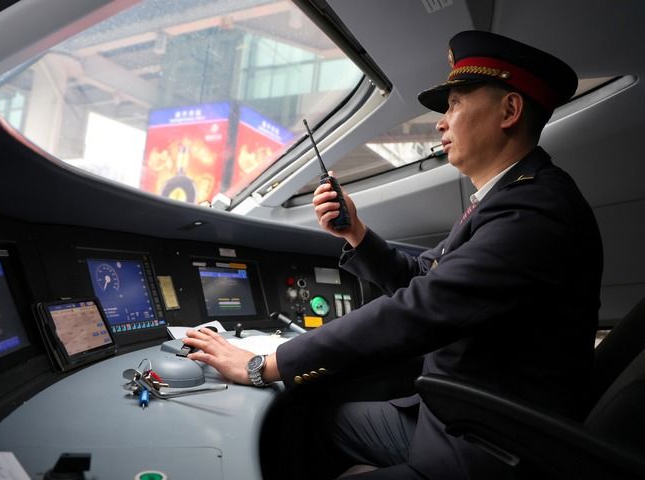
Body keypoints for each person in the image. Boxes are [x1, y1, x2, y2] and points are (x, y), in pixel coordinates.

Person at [184, 30, 603, 479]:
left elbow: (418, 309)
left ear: (509, 110)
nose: (442, 122)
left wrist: (264, 364)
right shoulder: (505, 200)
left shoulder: (535, 212)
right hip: (448, 416)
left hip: (485, 445)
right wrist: (357, 233)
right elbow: (424, 276)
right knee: (311, 420)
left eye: (454, 104)